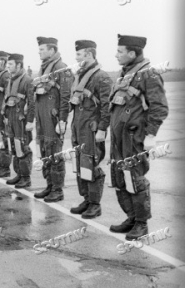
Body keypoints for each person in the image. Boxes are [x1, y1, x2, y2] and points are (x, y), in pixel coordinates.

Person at [109, 34, 168, 240]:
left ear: (132, 53)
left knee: (135, 178)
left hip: (134, 137)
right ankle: (131, 217)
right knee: (120, 177)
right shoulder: (124, 74)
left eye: (120, 51)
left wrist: (151, 134)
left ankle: (142, 223)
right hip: (119, 138)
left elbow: (159, 107)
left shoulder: (148, 74)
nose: (116, 55)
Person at [69, 40, 112, 219]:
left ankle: (95, 204)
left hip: (91, 128)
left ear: (88, 54)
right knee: (80, 163)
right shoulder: (79, 76)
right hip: (78, 126)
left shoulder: (101, 77)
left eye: (79, 54)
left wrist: (102, 128)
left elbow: (107, 106)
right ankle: (86, 199)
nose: (76, 57)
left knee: (90, 163)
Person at [33, 37, 73, 202]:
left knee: (55, 153)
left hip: (54, 118)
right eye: (39, 49)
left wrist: (62, 120)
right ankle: (49, 186)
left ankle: (57, 190)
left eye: (42, 49)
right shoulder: (44, 68)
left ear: (52, 50)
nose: (39, 52)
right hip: (42, 118)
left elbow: (66, 96)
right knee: (45, 151)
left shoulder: (61, 68)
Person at [1, 53, 35, 188]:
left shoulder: (27, 80)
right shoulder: (11, 79)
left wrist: (30, 121)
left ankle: (26, 177)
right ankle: (19, 174)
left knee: (23, 147)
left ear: (19, 65)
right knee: (14, 146)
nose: (8, 66)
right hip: (11, 118)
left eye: (10, 64)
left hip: (21, 119)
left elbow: (32, 103)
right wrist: (5, 114)